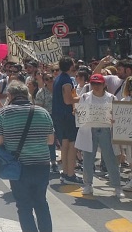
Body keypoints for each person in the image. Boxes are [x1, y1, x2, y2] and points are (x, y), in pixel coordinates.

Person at [0, 81, 54, 232]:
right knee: (41, 202)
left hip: (19, 167)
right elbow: (51, 140)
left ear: (10, 95)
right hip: (42, 164)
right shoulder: (43, 112)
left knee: (24, 205)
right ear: (27, 95)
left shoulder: (4, 113)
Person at [76, 74, 123, 197]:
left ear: (104, 85)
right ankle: (87, 184)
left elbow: (118, 116)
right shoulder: (85, 97)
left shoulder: (111, 98)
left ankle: (117, 186)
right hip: (89, 130)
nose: (96, 86)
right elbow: (80, 115)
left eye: (99, 84)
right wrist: (77, 113)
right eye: (93, 84)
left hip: (106, 130)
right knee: (88, 158)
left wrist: (114, 119)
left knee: (110, 158)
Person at [51, 56, 82, 185]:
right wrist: (83, 98)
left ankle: (65, 172)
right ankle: (70, 174)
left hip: (58, 115)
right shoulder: (67, 80)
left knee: (64, 144)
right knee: (72, 144)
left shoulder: (58, 78)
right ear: (70, 66)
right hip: (66, 115)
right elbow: (68, 100)